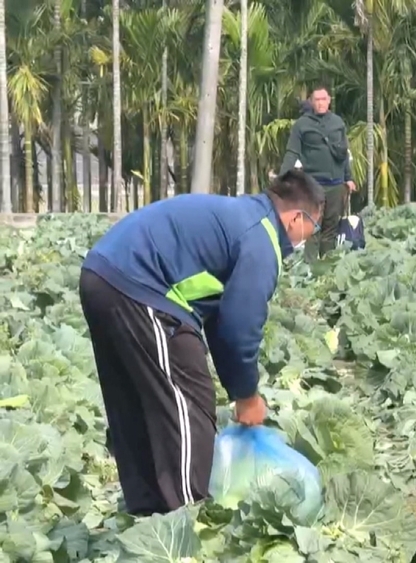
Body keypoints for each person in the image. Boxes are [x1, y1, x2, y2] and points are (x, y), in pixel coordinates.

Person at [78, 170, 324, 516]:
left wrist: (238, 387)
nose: (305, 240)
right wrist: (247, 395)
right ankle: (190, 520)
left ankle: (149, 516)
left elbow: (221, 325)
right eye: (311, 229)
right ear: (297, 218)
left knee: (136, 400)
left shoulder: (243, 215)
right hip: (141, 287)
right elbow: (241, 327)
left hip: (101, 274)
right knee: (189, 404)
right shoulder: (261, 239)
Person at [279, 85, 355, 256]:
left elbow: (343, 152)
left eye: (323, 99)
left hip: (336, 185)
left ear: (329, 101)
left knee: (331, 229)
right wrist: (283, 177)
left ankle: (326, 270)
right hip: (313, 185)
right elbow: (292, 152)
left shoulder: (338, 123)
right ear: (312, 102)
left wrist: (349, 178)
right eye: (317, 100)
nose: (320, 103)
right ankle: (310, 274)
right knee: (312, 229)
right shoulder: (301, 125)